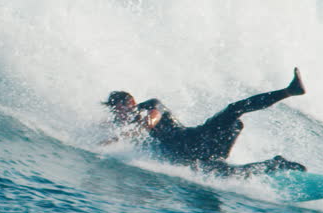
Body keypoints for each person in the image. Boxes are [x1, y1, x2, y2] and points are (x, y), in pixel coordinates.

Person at [103, 68, 308, 176]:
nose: (117, 114)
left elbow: (153, 119)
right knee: (229, 174)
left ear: (130, 102)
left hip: (196, 139)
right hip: (193, 157)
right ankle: (275, 164)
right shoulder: (124, 122)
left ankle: (289, 91)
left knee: (233, 110)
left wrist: (131, 132)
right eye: (114, 111)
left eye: (118, 108)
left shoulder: (149, 106)